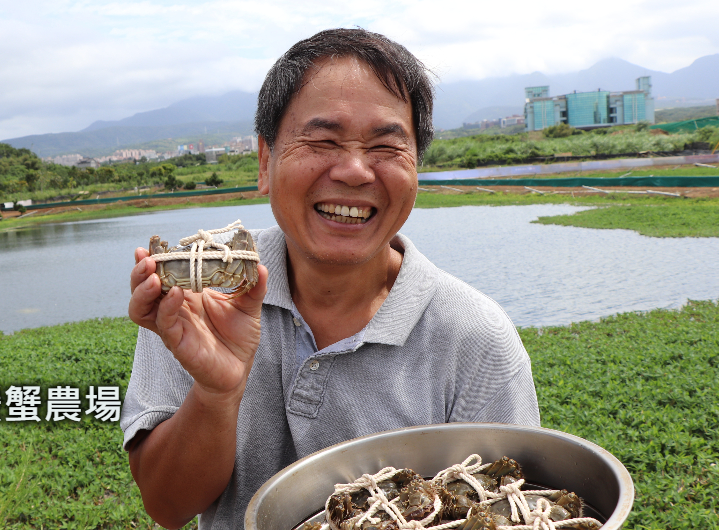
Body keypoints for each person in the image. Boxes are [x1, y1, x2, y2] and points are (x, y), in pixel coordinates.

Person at [122, 28, 540, 530]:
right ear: (264, 160)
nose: (355, 171)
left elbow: (511, 511)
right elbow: (166, 507)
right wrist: (215, 393)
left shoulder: (477, 341)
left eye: (386, 146)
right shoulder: (199, 288)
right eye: (322, 141)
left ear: (416, 168)